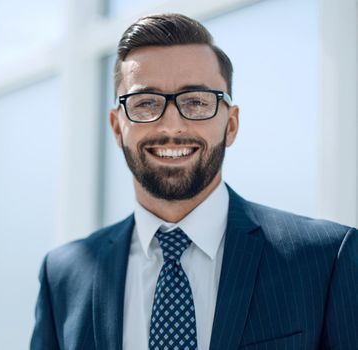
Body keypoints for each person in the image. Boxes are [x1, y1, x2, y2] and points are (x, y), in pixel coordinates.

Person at [30, 13, 358, 350]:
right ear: (117, 127)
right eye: (145, 103)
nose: (172, 126)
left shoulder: (326, 260)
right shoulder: (63, 277)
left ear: (230, 125)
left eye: (196, 102)